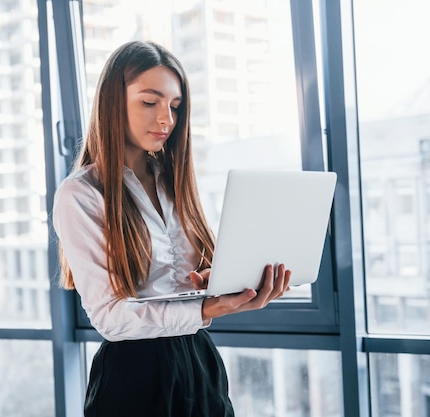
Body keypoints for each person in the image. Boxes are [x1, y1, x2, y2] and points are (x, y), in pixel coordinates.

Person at [52, 40, 291, 417]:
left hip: (198, 361)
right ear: (113, 102)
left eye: (175, 107)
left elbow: (187, 281)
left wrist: (230, 283)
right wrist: (207, 308)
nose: (166, 119)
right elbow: (110, 320)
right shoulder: (80, 194)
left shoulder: (175, 180)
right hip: (133, 376)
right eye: (150, 102)